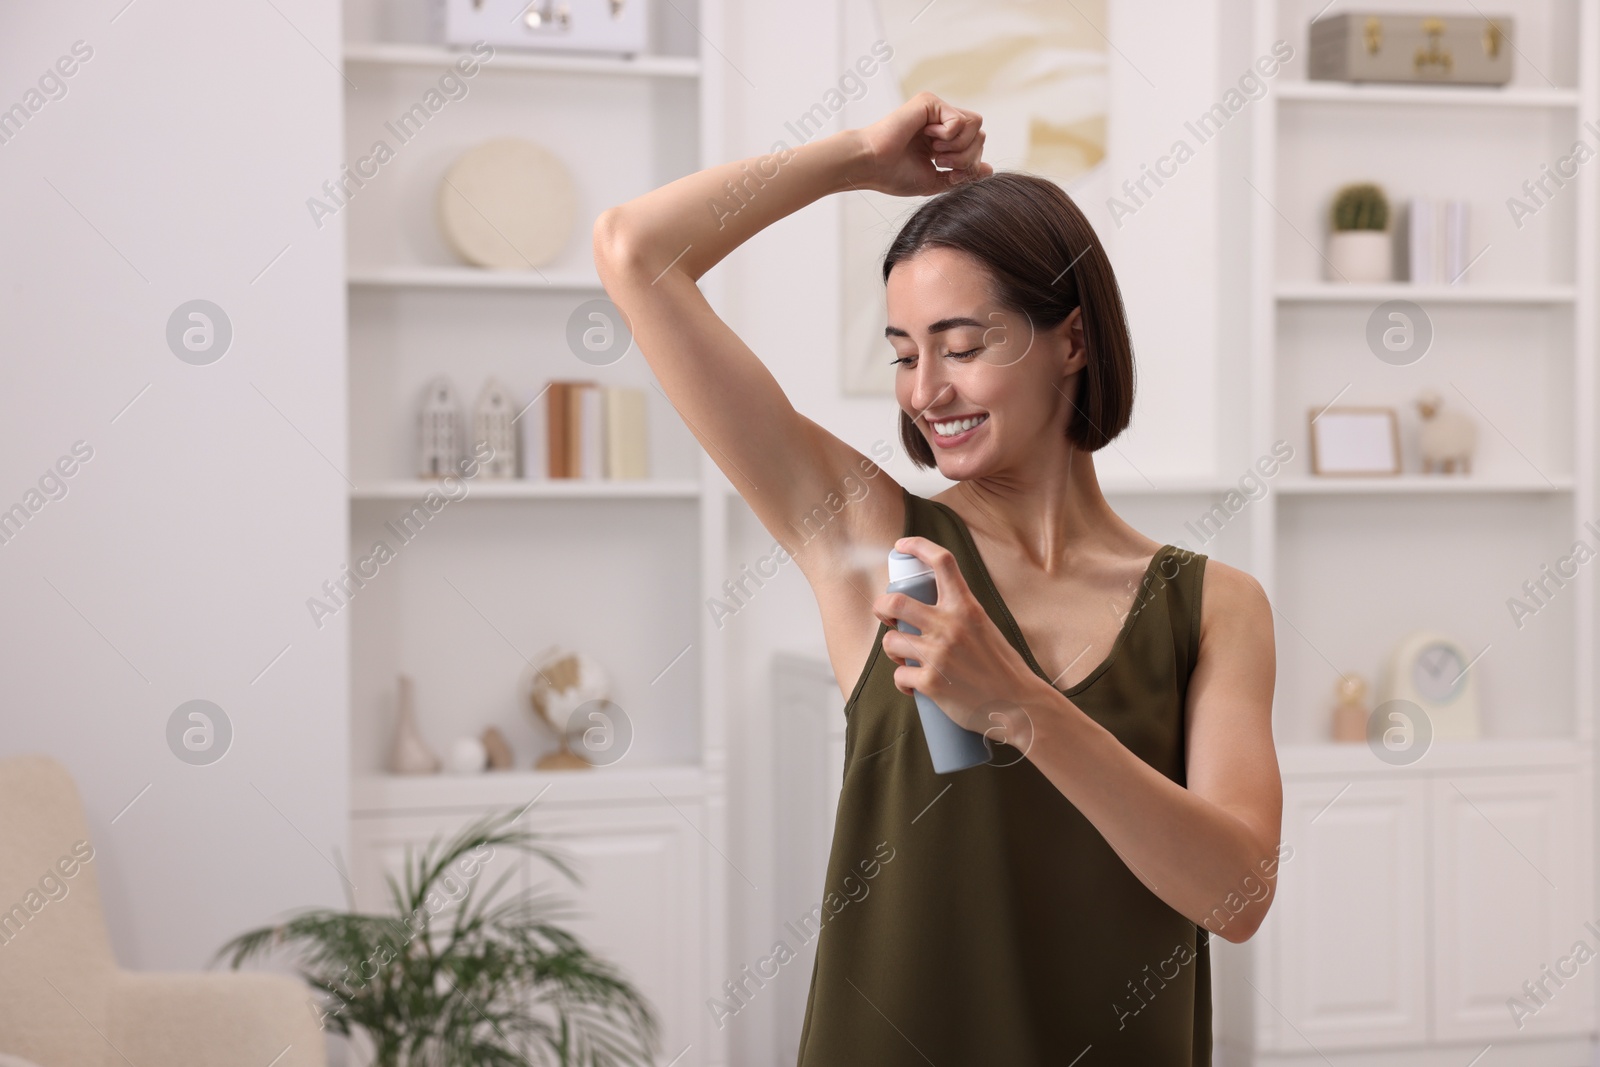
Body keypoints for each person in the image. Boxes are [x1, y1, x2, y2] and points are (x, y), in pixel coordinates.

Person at [594, 91, 1282, 1066]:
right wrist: (854, 162)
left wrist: (1020, 707)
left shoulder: (1212, 606)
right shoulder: (870, 535)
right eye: (904, 354)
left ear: (1072, 342)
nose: (926, 392)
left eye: (962, 347)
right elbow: (633, 251)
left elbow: (1237, 892)